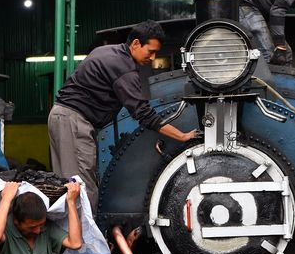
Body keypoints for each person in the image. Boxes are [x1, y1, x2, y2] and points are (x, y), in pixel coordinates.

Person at [48, 20, 199, 204]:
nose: (152, 58)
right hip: (73, 122)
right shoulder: (123, 67)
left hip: (62, 117)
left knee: (67, 185)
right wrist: (182, 136)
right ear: (135, 43)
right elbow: (143, 113)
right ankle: (82, 233)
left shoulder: (105, 51)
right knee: (81, 189)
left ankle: (72, 231)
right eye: (150, 51)